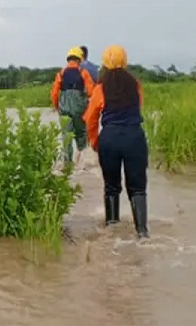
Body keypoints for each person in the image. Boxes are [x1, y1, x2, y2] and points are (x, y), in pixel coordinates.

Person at [82, 45, 149, 238]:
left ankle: (112, 229)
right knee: (138, 188)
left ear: (104, 63)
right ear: (125, 62)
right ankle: (142, 233)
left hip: (109, 139)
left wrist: (95, 142)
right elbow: (139, 108)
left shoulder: (100, 89)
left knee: (111, 186)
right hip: (134, 137)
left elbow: (90, 118)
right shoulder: (135, 85)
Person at [50, 46, 95, 162]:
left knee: (66, 136)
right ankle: (82, 162)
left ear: (68, 59)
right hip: (79, 109)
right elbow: (91, 92)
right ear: (79, 59)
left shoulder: (61, 73)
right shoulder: (83, 72)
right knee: (81, 135)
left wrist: (57, 107)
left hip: (64, 108)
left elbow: (54, 93)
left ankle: (67, 164)